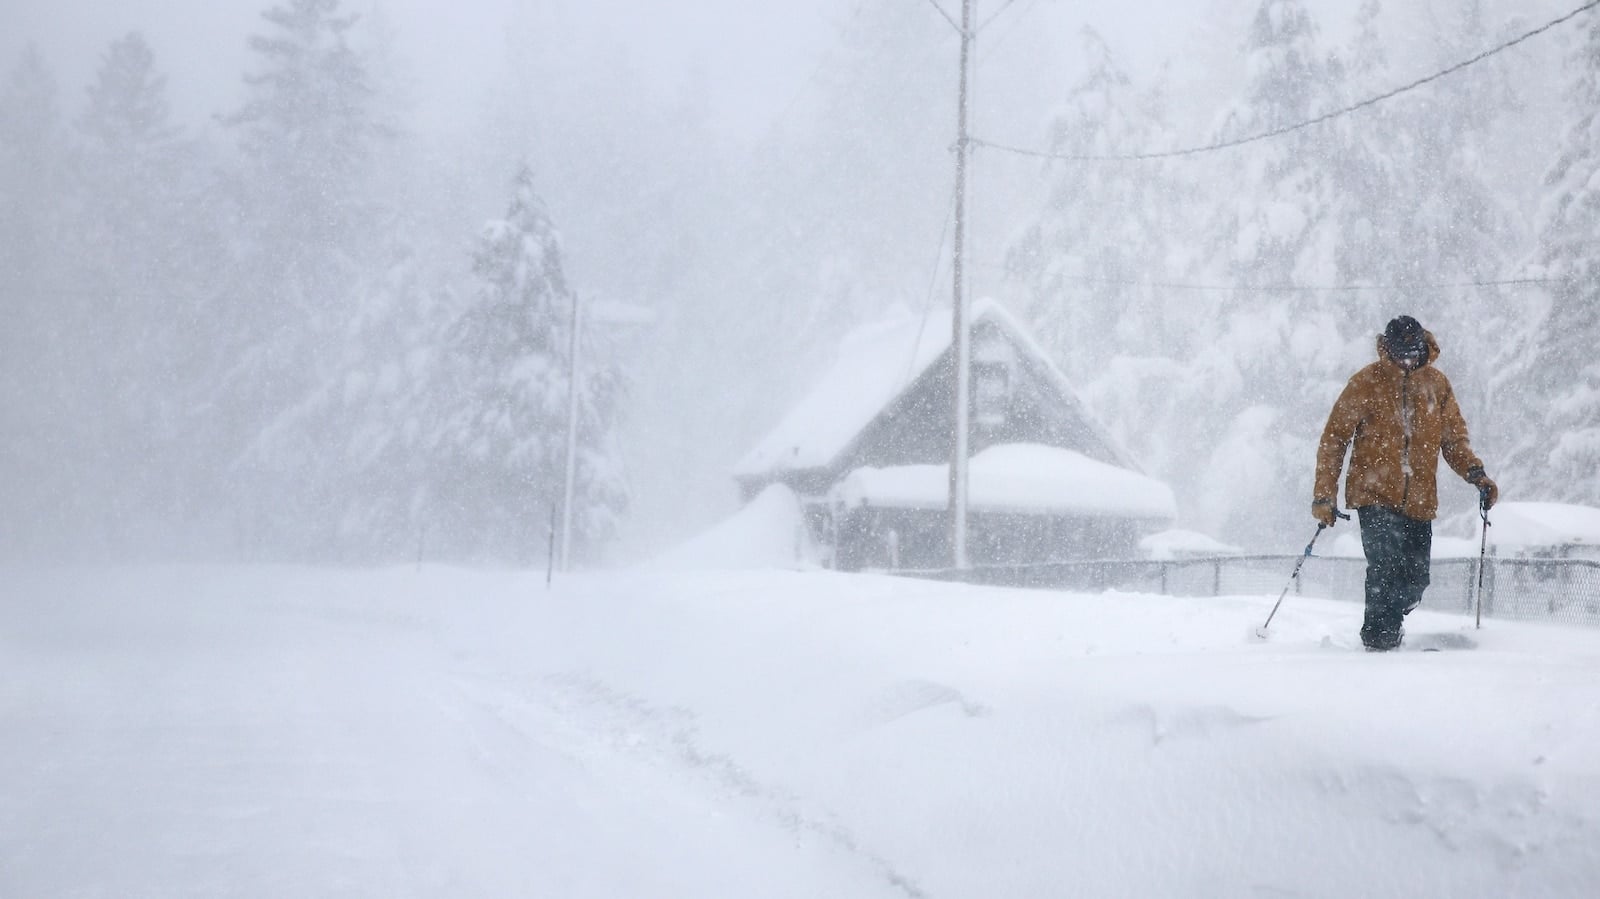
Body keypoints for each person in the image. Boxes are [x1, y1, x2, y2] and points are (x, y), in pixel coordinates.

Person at [1312, 315, 1498, 651]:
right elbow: (1335, 438)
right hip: (1373, 493)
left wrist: (1476, 474)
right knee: (1385, 567)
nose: (1407, 361)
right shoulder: (1366, 382)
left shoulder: (1437, 385)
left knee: (1415, 580)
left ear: (1423, 348)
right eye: (1400, 354)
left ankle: (1390, 621)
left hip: (1420, 499)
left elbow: (1453, 440)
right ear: (1388, 349)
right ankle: (1378, 638)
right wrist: (1325, 495)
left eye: (1413, 354)